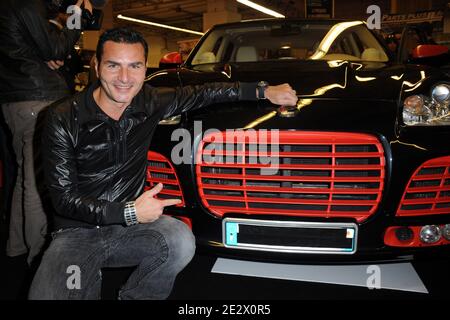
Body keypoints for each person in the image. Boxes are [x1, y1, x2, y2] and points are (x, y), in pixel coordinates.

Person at [28, 26, 298, 300]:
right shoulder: (61, 117)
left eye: (134, 66)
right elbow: (64, 199)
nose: (124, 78)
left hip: (127, 232)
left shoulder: (149, 102)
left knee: (178, 239)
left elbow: (206, 93)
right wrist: (129, 211)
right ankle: (85, 276)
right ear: (96, 66)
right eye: (113, 65)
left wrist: (262, 91)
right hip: (77, 233)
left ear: (145, 69)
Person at [0, 0, 93, 266]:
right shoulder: (27, 5)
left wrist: (47, 53)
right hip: (35, 100)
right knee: (38, 181)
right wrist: (78, 15)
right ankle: (39, 255)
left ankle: (17, 245)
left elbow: (42, 49)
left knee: (24, 176)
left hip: (15, 101)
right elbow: (58, 47)